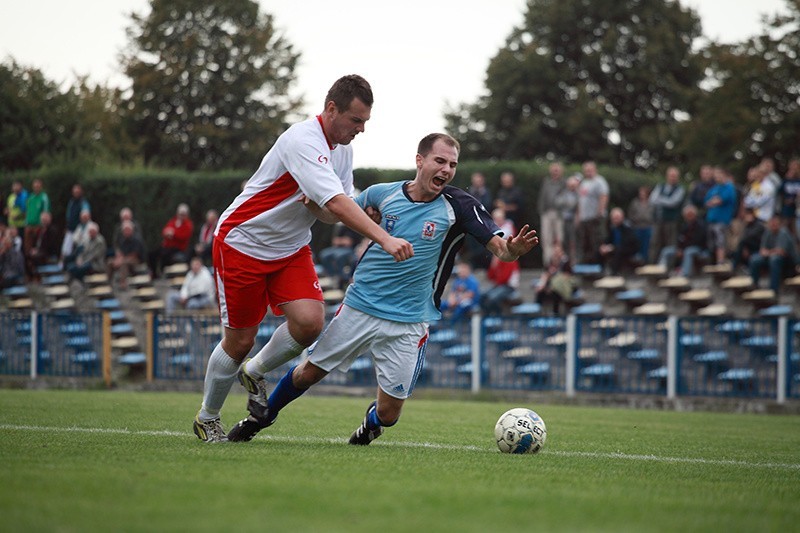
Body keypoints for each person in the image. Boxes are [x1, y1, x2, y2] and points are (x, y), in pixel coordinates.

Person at [225, 132, 538, 444]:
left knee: (389, 415)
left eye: (452, 165)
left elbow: (501, 249)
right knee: (307, 373)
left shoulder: (459, 205)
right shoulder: (382, 194)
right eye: (439, 161)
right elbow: (334, 214)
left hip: (410, 320)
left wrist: (513, 250)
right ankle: (259, 419)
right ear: (420, 160)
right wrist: (314, 204)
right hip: (361, 305)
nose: (446, 170)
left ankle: (369, 425)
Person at [192, 74, 413, 442]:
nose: (360, 129)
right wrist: (384, 238)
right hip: (244, 242)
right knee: (239, 342)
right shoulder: (302, 140)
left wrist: (356, 213)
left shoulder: (343, 149)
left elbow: (331, 210)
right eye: (355, 120)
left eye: (365, 122)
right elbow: (338, 204)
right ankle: (207, 417)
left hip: (290, 247)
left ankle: (256, 372)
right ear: (331, 109)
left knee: (310, 323)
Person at [748, 214, 798, 292]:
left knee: (774, 259)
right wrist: (770, 252)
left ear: (779, 224)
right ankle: (754, 286)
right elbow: (762, 250)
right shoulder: (768, 232)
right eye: (771, 224)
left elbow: (781, 251)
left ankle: (773, 290)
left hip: (789, 261)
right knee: (755, 259)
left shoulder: (783, 233)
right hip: (771, 257)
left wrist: (768, 252)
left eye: (775, 224)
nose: (773, 225)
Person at [657, 204, 709, 277]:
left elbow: (697, 241)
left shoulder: (700, 225)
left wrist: (683, 250)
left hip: (698, 248)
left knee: (688, 251)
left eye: (690, 215)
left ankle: (684, 274)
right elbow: (680, 239)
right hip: (683, 248)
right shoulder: (684, 225)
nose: (688, 217)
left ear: (694, 214)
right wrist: (679, 249)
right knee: (666, 251)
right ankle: (661, 272)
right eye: (686, 215)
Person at [648, 166, 685, 263]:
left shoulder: (680, 189)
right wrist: (664, 200)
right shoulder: (660, 186)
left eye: (674, 176)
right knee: (655, 243)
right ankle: (652, 265)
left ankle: (669, 266)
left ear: (678, 177)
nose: (672, 178)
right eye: (671, 176)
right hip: (658, 220)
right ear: (667, 176)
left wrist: (660, 199)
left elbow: (673, 202)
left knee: (671, 244)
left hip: (671, 221)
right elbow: (652, 200)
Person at [575, 161, 609, 264]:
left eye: (590, 170)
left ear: (595, 170)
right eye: (586, 171)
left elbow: (603, 197)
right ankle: (588, 267)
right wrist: (578, 216)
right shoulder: (584, 183)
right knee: (586, 245)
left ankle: (599, 266)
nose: (588, 172)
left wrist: (599, 213)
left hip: (595, 218)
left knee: (597, 244)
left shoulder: (599, 181)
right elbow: (580, 201)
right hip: (584, 218)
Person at [148, 203, 194, 277]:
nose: (181, 216)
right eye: (180, 214)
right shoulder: (173, 221)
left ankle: (165, 273)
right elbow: (165, 230)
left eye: (183, 214)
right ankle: (154, 273)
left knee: (165, 254)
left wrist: (173, 234)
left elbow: (183, 236)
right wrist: (168, 233)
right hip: (167, 245)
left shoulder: (188, 224)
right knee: (152, 253)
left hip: (178, 247)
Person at [704, 167, 737, 264]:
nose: (717, 177)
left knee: (721, 243)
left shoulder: (729, 187)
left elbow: (721, 200)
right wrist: (713, 201)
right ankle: (714, 263)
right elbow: (707, 202)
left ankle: (721, 262)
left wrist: (714, 201)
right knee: (712, 244)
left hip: (722, 221)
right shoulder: (714, 188)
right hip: (711, 220)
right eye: (715, 175)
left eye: (719, 174)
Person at [537, 162, 566, 266]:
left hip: (559, 215)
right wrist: (542, 211)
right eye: (553, 170)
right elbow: (542, 198)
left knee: (559, 239)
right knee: (546, 239)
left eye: (557, 170)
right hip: (546, 213)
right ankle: (547, 263)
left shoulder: (564, 183)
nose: (555, 172)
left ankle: (559, 264)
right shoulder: (546, 182)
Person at [534, 242, 576, 314]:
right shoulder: (551, 262)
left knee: (555, 294)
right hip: (550, 287)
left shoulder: (565, 262)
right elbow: (546, 274)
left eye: (558, 251)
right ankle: (537, 312)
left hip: (562, 288)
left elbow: (568, 276)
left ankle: (555, 314)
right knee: (540, 293)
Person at [598, 207, 640, 275]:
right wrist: (604, 246)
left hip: (628, 249)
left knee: (618, 252)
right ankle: (600, 272)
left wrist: (613, 247)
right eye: (613, 218)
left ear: (622, 217)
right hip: (615, 248)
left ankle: (614, 273)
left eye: (617, 218)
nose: (615, 220)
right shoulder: (612, 228)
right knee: (600, 251)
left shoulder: (627, 227)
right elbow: (608, 239)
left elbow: (627, 242)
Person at [107, 220, 146, 288]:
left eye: (128, 230)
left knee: (123, 263)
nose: (126, 232)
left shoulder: (137, 239)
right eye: (124, 230)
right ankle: (107, 283)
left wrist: (121, 260)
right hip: (125, 258)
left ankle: (123, 283)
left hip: (136, 260)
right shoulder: (122, 239)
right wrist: (118, 259)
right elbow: (121, 252)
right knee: (110, 262)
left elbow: (134, 254)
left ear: (132, 230)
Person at [24, 211, 61, 279]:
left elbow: (51, 245)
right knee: (26, 256)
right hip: (39, 250)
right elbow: (35, 241)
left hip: (47, 252)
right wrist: (33, 249)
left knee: (36, 257)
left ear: (50, 219)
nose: (44, 221)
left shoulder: (53, 230)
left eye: (45, 220)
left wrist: (38, 250)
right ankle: (31, 277)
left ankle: (39, 276)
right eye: (43, 220)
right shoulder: (40, 230)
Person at [61, 184, 90, 263]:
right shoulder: (71, 202)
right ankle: (63, 265)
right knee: (65, 250)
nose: (76, 193)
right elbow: (68, 215)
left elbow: (85, 215)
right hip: (70, 229)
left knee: (77, 249)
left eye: (78, 191)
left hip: (79, 230)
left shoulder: (83, 202)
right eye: (74, 192)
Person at [23, 179, 50, 261]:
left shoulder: (44, 197)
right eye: (35, 187)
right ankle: (28, 264)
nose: (36, 188)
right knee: (27, 247)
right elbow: (28, 211)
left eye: (38, 186)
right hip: (29, 225)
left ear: (41, 187)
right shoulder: (31, 197)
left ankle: (37, 264)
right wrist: (26, 223)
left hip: (38, 225)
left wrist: (43, 224)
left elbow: (46, 211)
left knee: (37, 246)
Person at [627, 185, 653, 263]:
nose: (641, 194)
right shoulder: (635, 202)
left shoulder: (651, 203)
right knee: (637, 243)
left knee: (647, 244)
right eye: (640, 193)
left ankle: (646, 259)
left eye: (643, 192)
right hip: (637, 226)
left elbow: (653, 216)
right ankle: (637, 260)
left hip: (648, 226)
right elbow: (631, 214)